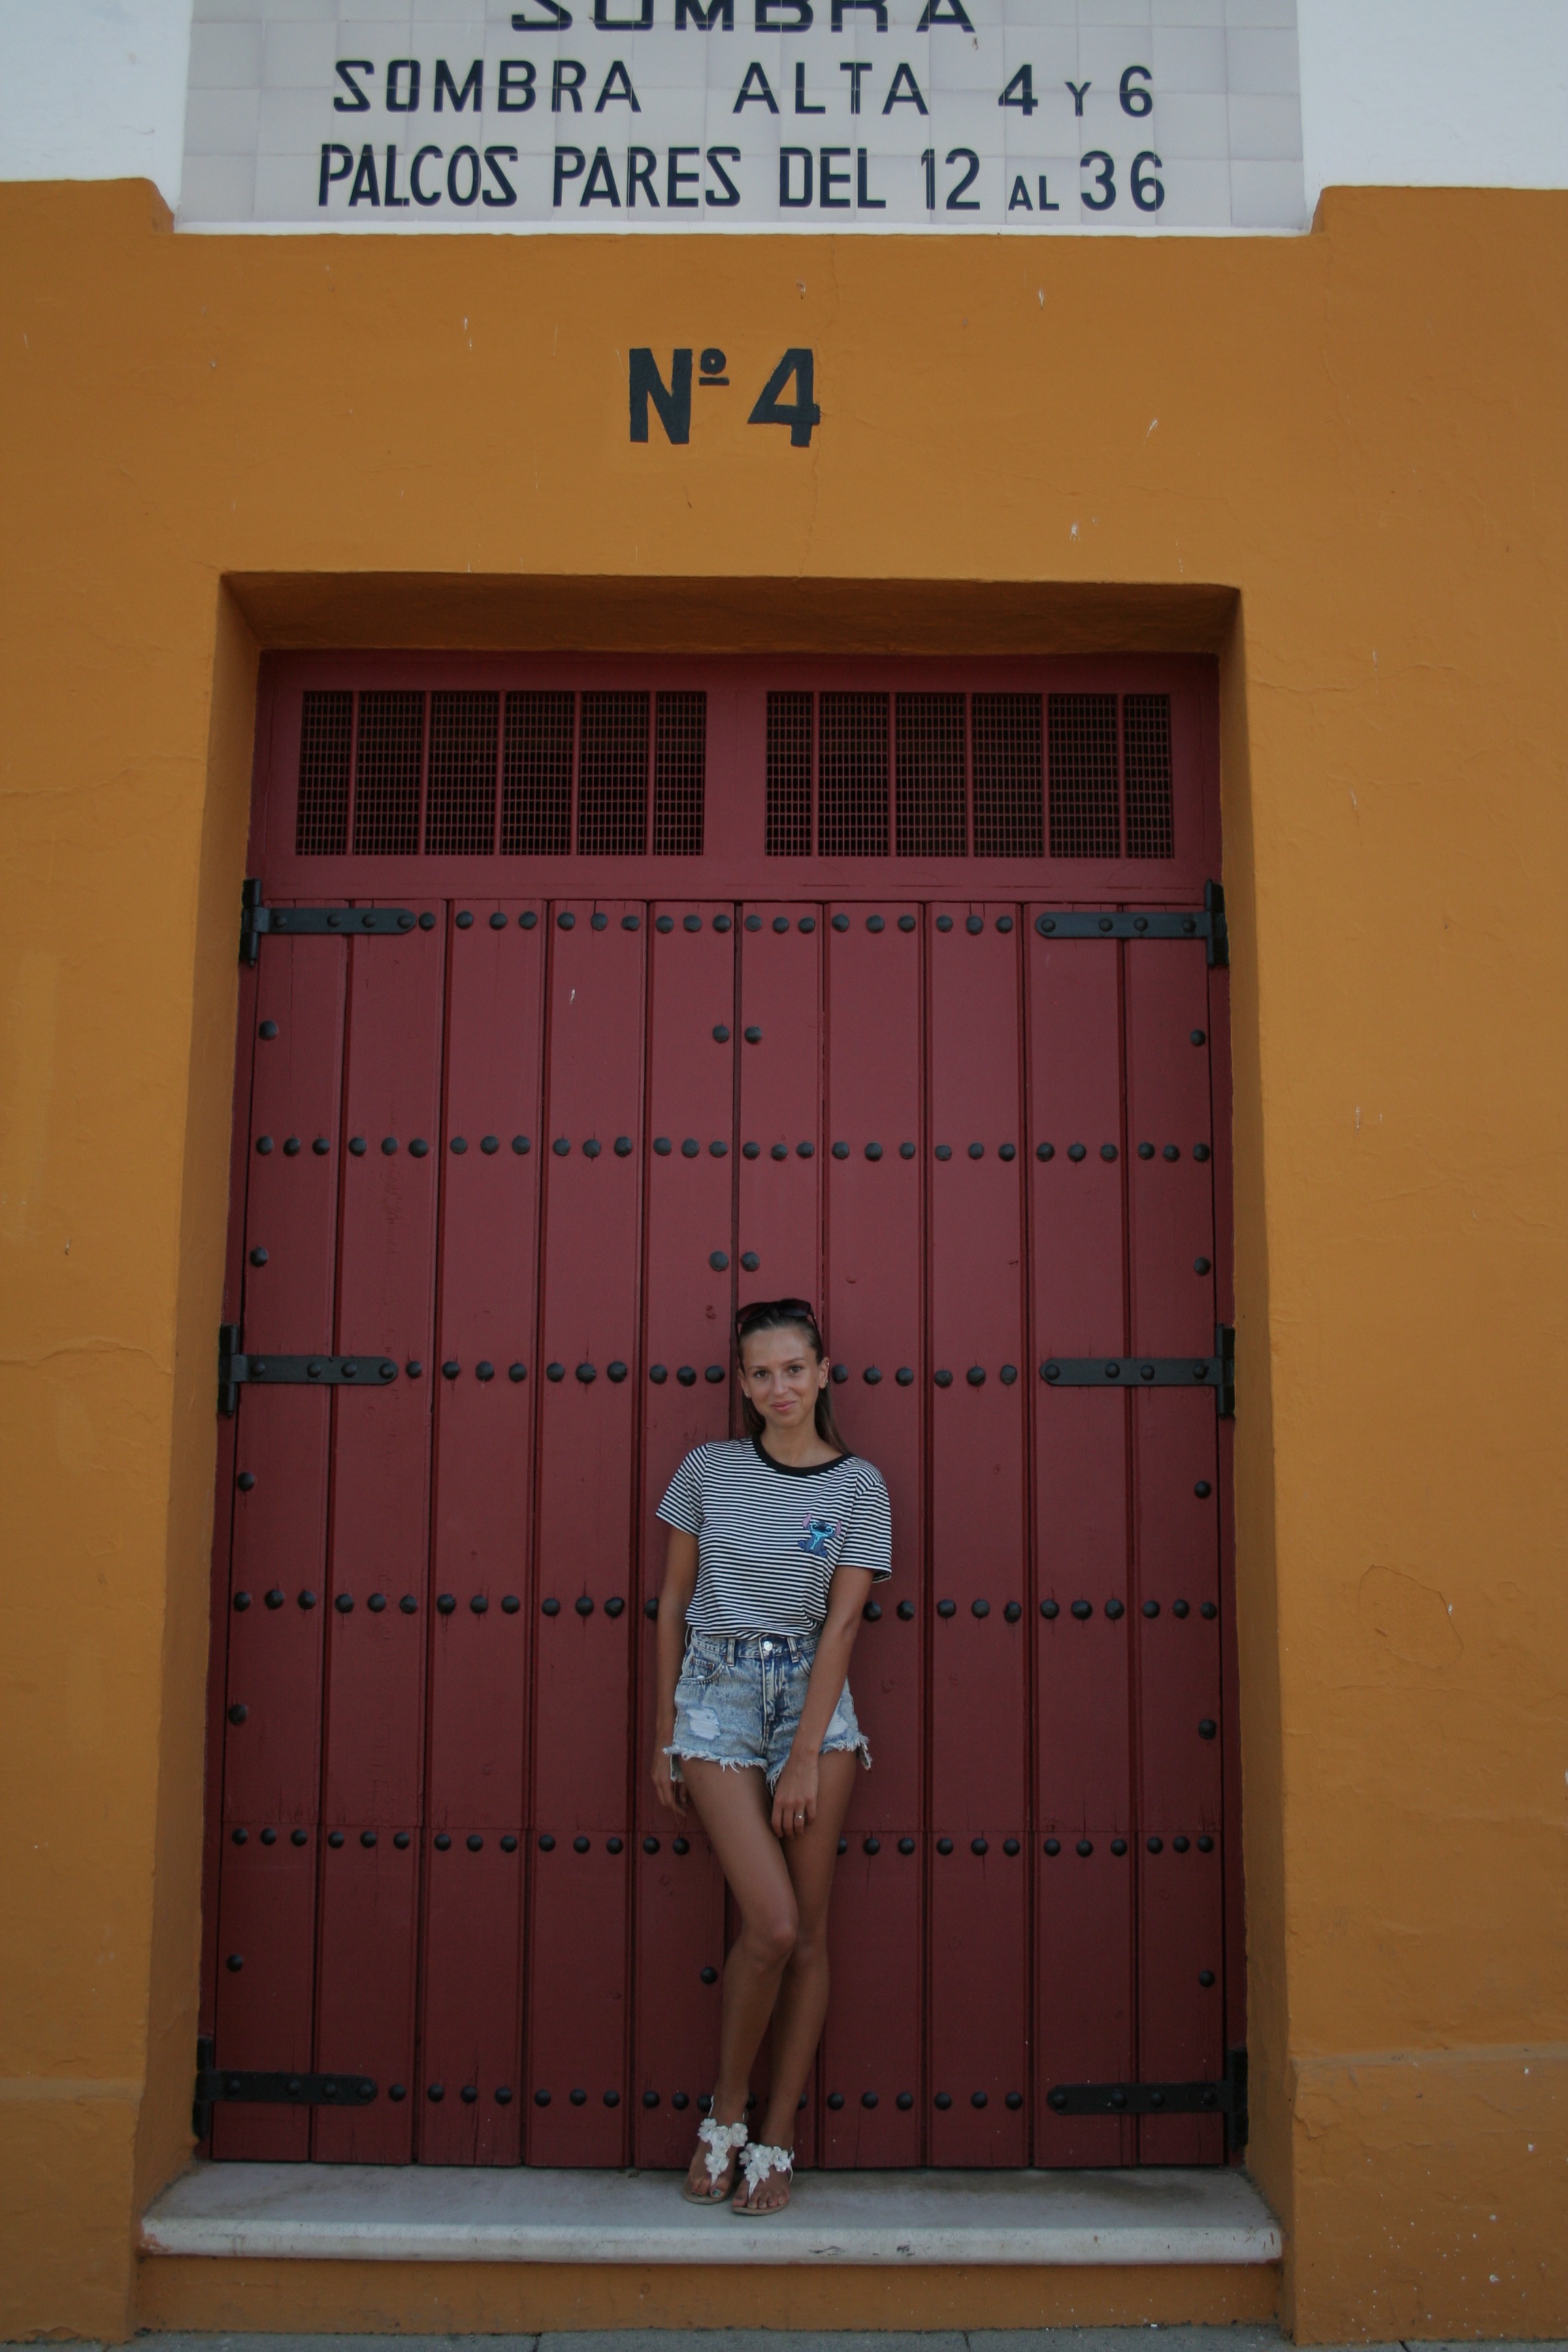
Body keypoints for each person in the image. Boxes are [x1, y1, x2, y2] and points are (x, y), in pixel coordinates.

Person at [650, 1297, 892, 2215]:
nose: (779, 1388)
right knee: (774, 1925)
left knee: (811, 1934)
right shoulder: (707, 1470)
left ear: (824, 1372)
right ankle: (725, 2113)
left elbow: (840, 1627)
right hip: (713, 1690)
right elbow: (672, 1602)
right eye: (761, 1373)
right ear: (742, 1384)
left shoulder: (859, 1487)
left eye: (795, 1369)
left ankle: (777, 2137)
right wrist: (662, 1737)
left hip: (811, 1698)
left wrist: (802, 1756)